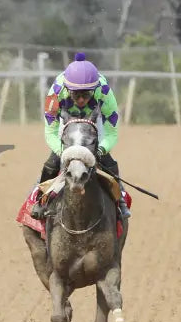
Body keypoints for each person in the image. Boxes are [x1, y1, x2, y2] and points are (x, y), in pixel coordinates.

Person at [30, 52, 130, 220]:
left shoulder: (104, 92)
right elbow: (50, 132)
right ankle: (40, 200)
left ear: (95, 90)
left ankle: (120, 202)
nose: (82, 99)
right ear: (67, 89)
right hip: (66, 123)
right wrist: (63, 152)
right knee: (52, 163)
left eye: (87, 94)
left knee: (108, 162)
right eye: (76, 94)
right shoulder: (55, 93)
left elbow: (112, 132)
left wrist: (100, 150)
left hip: (93, 122)